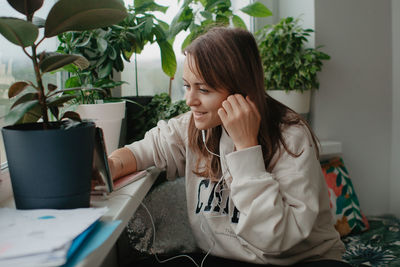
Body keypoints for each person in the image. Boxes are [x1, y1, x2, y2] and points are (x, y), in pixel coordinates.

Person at [108, 27, 349, 267]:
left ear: (241, 91)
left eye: (203, 89)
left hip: (300, 260)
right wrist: (105, 168)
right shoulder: (194, 127)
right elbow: (141, 152)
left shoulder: (291, 137)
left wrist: (246, 148)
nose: (190, 100)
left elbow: (275, 239)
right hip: (229, 258)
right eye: (187, 86)